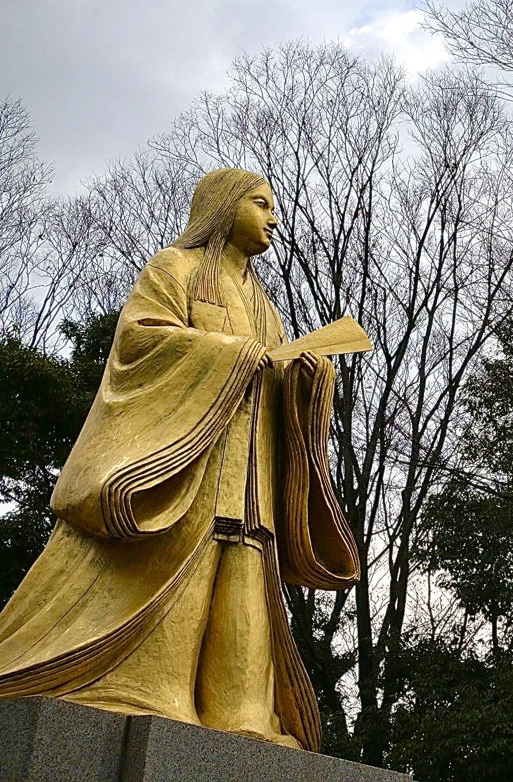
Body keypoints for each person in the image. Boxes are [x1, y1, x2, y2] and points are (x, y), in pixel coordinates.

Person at [0, 168, 360, 751]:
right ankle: (153, 689)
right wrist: (235, 354)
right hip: (186, 468)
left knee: (245, 579)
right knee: (182, 572)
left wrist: (303, 377)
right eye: (261, 204)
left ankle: (241, 711)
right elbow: (141, 339)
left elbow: (272, 370)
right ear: (223, 208)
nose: (274, 219)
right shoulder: (177, 269)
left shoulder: (264, 304)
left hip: (251, 476)